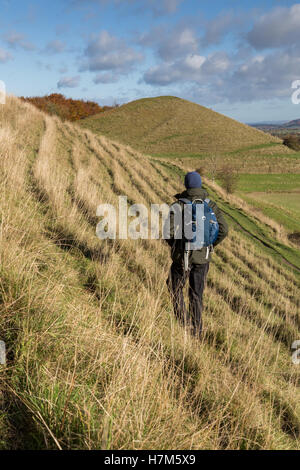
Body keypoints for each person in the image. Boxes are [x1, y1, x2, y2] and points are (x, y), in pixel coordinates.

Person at [166, 171, 228, 337]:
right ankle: (197, 332)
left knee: (174, 288)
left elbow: (168, 232)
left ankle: (184, 323)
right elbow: (224, 230)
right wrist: (209, 244)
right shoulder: (211, 205)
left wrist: (177, 248)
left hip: (182, 257)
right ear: (200, 185)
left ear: (186, 185)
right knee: (196, 294)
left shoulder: (178, 205)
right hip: (203, 258)